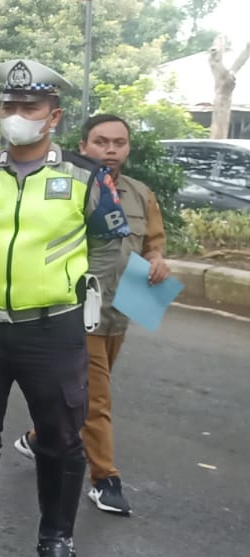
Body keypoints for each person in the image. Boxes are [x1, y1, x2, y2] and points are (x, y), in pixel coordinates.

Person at [0, 60, 129, 557]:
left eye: (29, 108)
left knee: (62, 438)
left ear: (54, 117)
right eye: (9, 107)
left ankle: (57, 540)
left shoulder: (86, 178)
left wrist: (84, 299)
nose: (17, 116)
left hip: (55, 330)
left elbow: (111, 246)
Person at [11, 113, 169, 516]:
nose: (111, 150)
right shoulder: (68, 187)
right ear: (83, 146)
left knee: (84, 395)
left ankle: (37, 437)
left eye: (119, 142)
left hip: (124, 306)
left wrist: (157, 261)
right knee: (97, 398)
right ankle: (106, 479)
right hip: (79, 310)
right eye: (101, 142)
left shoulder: (140, 193)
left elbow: (153, 243)